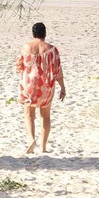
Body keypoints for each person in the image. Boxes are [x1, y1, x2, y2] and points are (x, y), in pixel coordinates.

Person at [16, 22, 66, 153]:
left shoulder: (26, 47)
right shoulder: (52, 49)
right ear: (45, 33)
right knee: (45, 116)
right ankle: (43, 148)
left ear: (33, 34)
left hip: (29, 84)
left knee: (28, 114)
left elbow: (19, 66)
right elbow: (57, 70)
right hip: (46, 85)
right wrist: (62, 88)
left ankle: (31, 139)